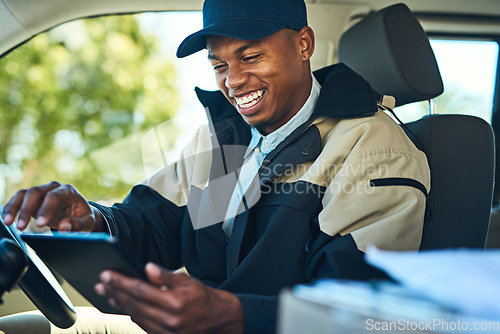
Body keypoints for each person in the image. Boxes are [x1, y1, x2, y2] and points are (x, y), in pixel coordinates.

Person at [1, 0, 430, 333]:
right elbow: (157, 226)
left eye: (251, 56)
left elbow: (357, 312)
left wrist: (234, 316)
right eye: (220, 65)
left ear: (304, 45)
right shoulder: (227, 137)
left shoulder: (371, 149)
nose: (233, 81)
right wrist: (92, 221)